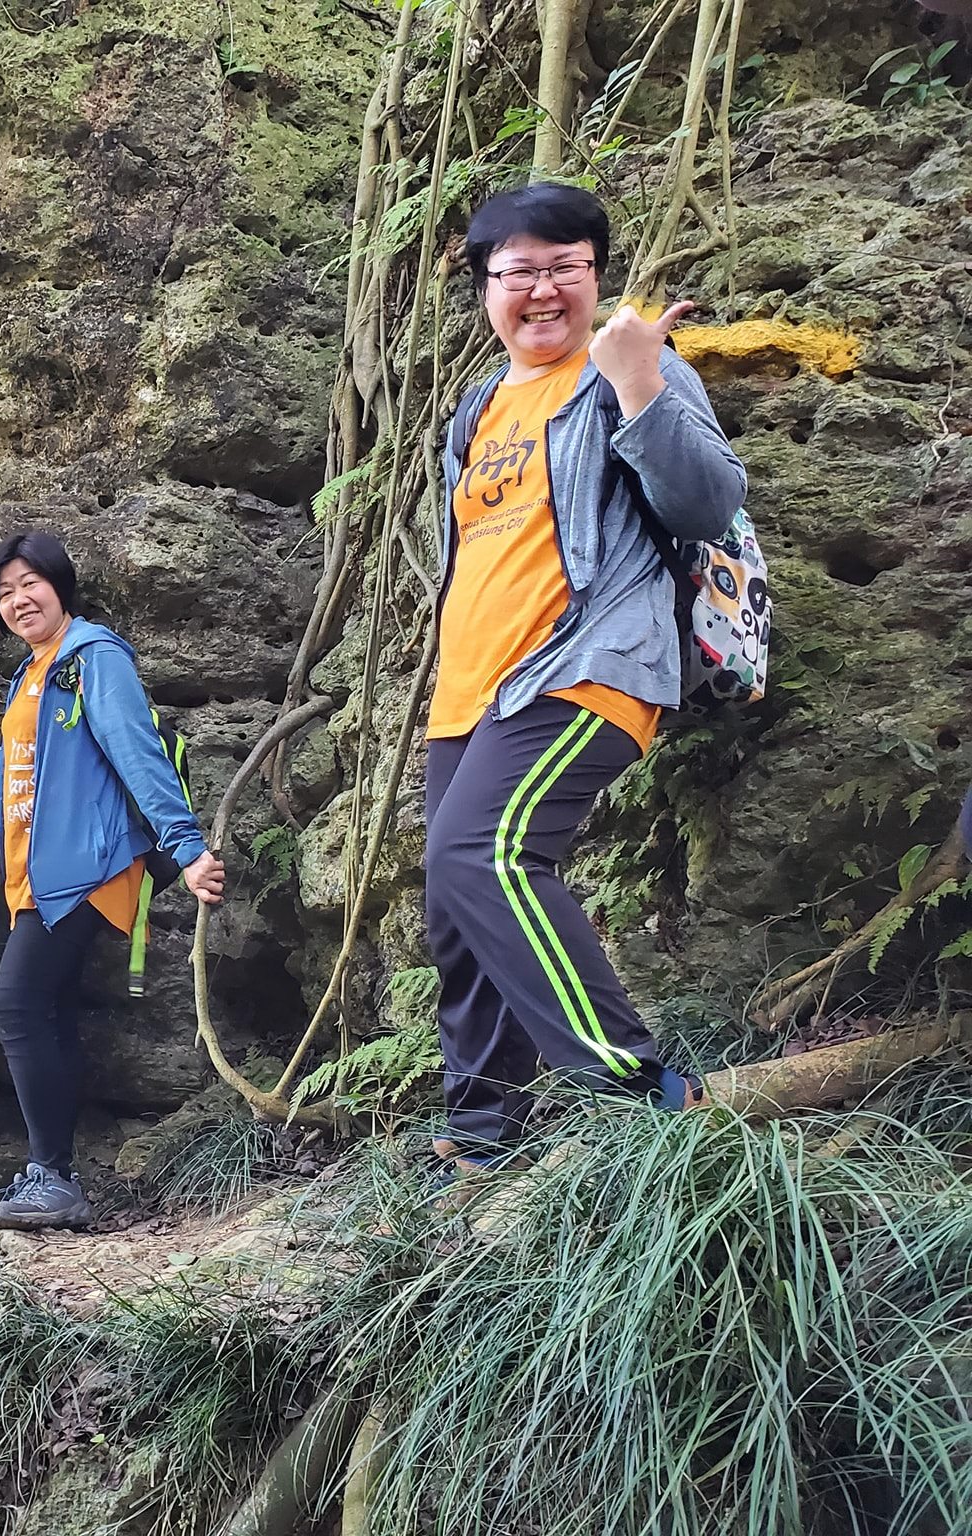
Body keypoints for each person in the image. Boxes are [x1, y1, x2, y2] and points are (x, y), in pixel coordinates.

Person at [422, 184, 745, 1179]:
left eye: (562, 265)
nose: (540, 288)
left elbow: (705, 502)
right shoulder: (477, 403)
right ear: (485, 289)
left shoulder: (626, 368)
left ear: (593, 274)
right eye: (516, 271)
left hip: (585, 666)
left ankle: (632, 1082)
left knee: (485, 854)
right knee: (453, 895)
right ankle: (483, 1127)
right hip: (469, 692)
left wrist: (641, 385)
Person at [0, 531, 226, 1232]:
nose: (18, 600)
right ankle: (56, 1174)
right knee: (46, 1014)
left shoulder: (91, 657)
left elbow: (135, 750)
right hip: (39, 876)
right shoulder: (34, 672)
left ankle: (52, 1177)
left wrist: (186, 847)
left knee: (13, 1007)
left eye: (29, 583)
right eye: (4, 592)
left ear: (60, 585)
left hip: (86, 869)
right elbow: (33, 759)